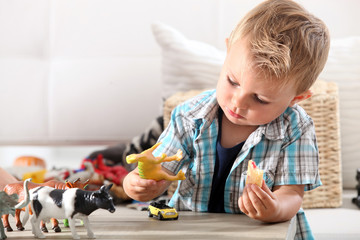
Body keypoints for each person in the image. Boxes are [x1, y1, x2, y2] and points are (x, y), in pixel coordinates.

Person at [123, 0, 330, 239]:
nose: (238, 103)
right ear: (228, 49)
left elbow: (292, 193)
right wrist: (137, 184)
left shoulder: (297, 129)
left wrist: (275, 209)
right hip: (192, 230)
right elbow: (157, 169)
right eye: (232, 82)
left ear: (297, 98)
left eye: (260, 99)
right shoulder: (189, 116)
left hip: (259, 233)